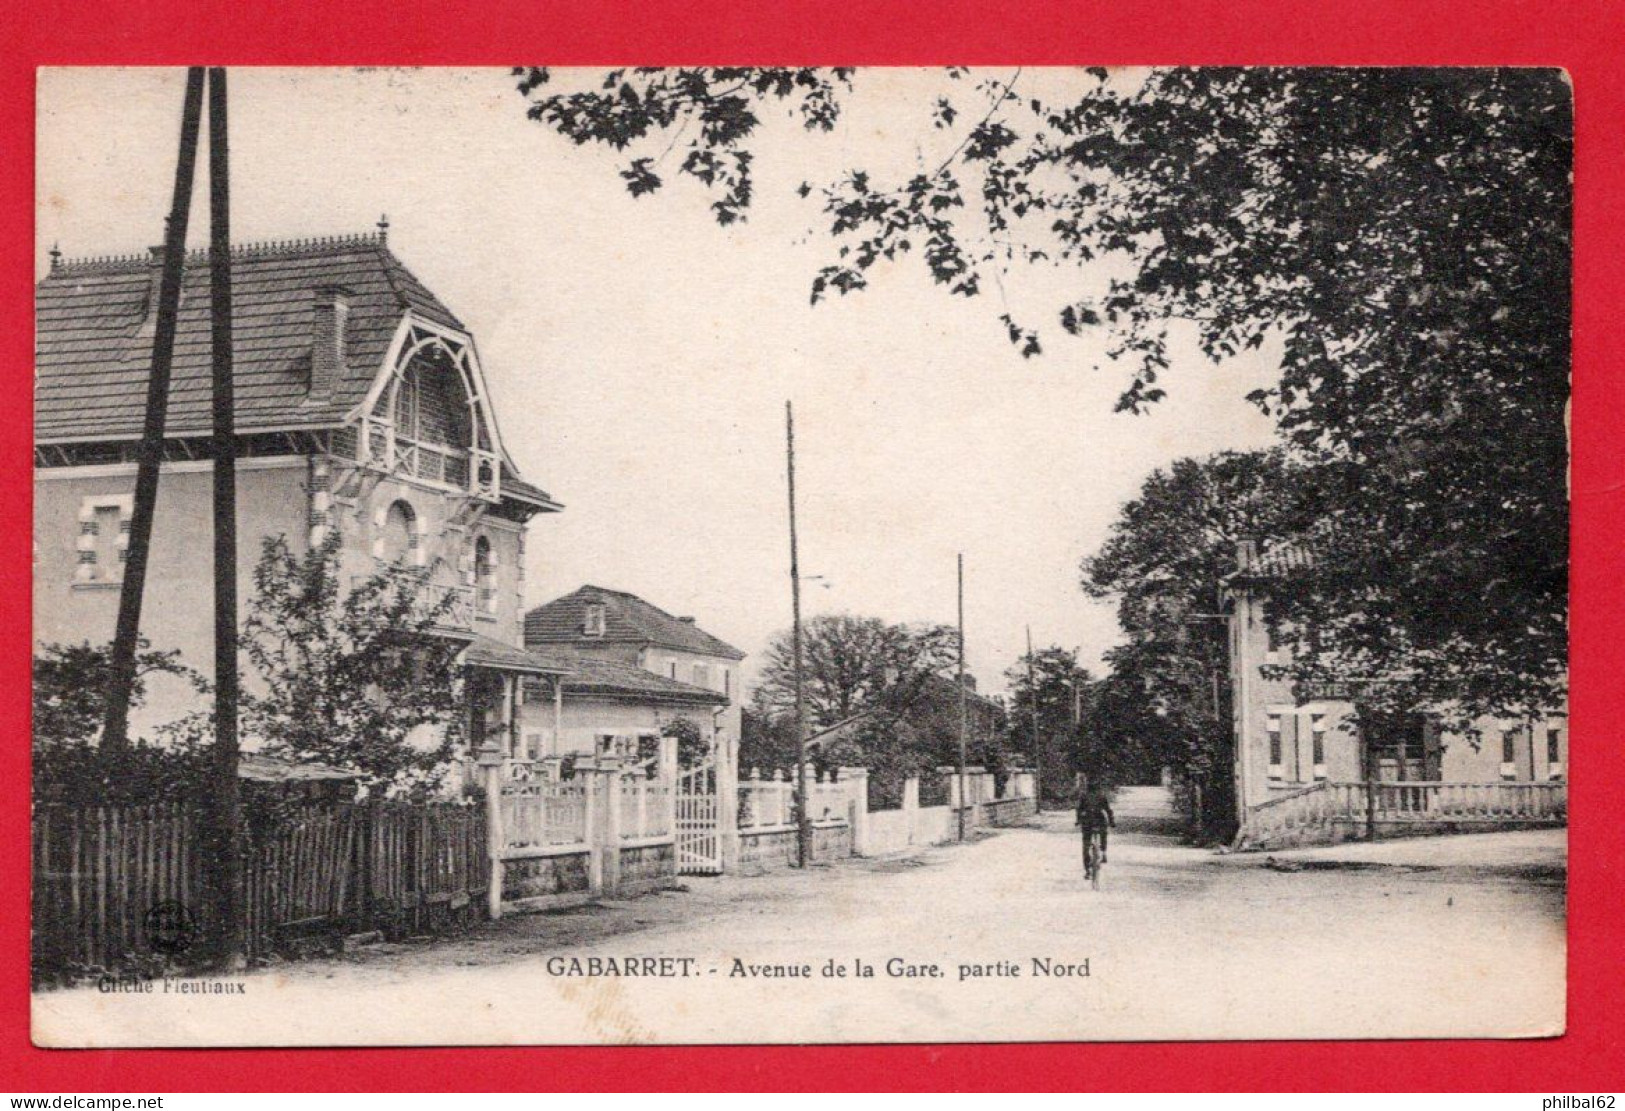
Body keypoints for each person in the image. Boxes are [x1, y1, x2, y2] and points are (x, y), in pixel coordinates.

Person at [1075, 777, 1115, 863]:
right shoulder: (1102, 796)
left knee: (1086, 841)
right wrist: (1112, 822)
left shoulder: (1083, 796)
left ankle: (1087, 864)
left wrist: (1078, 821)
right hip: (1099, 819)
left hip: (1087, 821)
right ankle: (1103, 852)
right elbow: (1108, 810)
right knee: (1104, 834)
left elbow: (1079, 809)